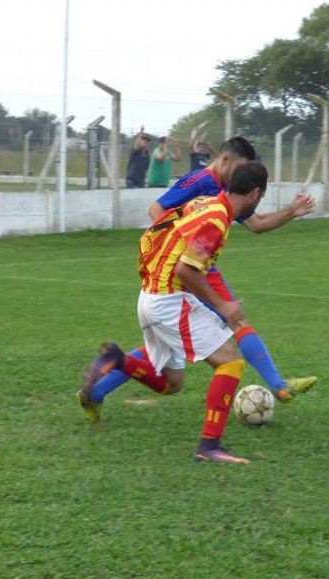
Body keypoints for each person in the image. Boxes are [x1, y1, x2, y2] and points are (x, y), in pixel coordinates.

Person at [78, 136, 316, 422]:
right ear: (225, 160)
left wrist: (292, 211)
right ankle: (278, 388)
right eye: (240, 167)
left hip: (192, 266)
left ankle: (96, 392)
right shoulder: (200, 181)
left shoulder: (230, 191)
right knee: (233, 322)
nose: (240, 175)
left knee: (165, 346)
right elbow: (156, 210)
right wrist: (176, 247)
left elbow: (257, 224)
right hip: (186, 269)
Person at [81, 161, 272, 464]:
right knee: (231, 362)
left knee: (172, 384)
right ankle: (209, 446)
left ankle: (119, 360)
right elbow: (186, 270)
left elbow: (165, 228)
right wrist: (223, 305)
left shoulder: (206, 203)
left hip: (150, 295)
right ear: (255, 194)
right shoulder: (218, 220)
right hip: (169, 299)